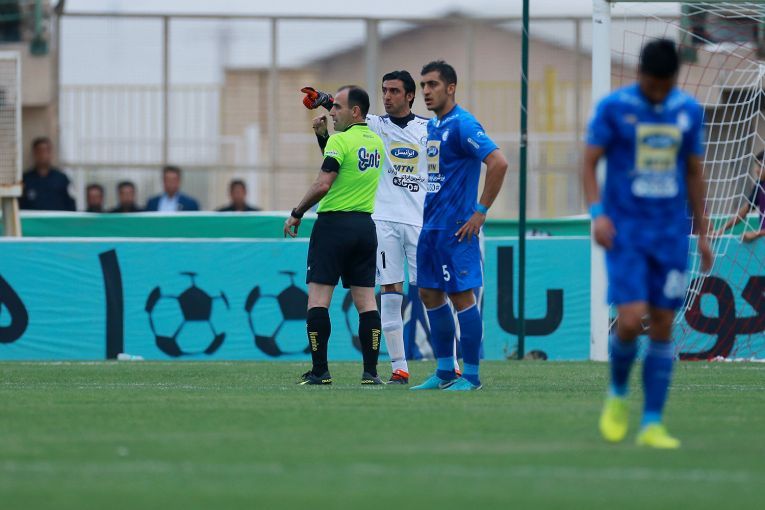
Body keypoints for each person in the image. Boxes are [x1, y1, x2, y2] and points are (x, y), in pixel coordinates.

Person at [583, 39, 713, 449]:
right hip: (626, 232)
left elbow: (693, 172)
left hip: (671, 234)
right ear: (639, 74)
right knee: (629, 319)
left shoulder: (688, 111)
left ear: (674, 79)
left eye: (664, 85)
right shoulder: (614, 108)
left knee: (662, 323)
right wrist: (598, 214)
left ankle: (652, 422)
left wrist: (704, 231)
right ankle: (618, 394)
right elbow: (588, 161)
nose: (657, 92)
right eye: (651, 84)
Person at [302, 71, 461, 384]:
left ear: (410, 96)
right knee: (389, 291)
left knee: (432, 292)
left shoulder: (428, 129)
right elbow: (345, 109)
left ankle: (450, 364)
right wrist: (321, 98)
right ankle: (399, 368)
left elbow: (442, 173)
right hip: (383, 221)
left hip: (420, 222)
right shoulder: (375, 125)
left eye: (394, 91)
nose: (387, 96)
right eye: (384, 90)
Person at [409, 60, 508, 392]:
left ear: (450, 88)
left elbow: (498, 162)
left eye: (432, 84)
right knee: (428, 293)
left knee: (461, 297)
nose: (426, 91)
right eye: (423, 85)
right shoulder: (433, 126)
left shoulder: (463, 124)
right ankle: (444, 371)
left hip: (457, 229)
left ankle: (472, 376)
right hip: (431, 227)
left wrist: (480, 212)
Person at [284, 85, 385, 386]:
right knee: (366, 302)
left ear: (355, 111)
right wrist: (322, 138)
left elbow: (324, 183)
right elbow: (345, 169)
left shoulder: (340, 141)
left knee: (318, 300)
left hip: (333, 226)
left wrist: (297, 212)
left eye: (337, 107)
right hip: (364, 227)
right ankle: (371, 373)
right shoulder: (376, 142)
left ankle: (320, 371)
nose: (332, 112)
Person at [713, 150, 765, 242]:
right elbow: (745, 210)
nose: (757, 170)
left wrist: (757, 234)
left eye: (761, 166)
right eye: (757, 166)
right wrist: (721, 230)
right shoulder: (760, 185)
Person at [20, 137, 76, 211]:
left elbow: (71, 205)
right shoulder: (26, 179)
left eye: (46, 151)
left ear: (51, 153)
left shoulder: (62, 179)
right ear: (34, 153)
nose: (43, 155)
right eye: (40, 151)